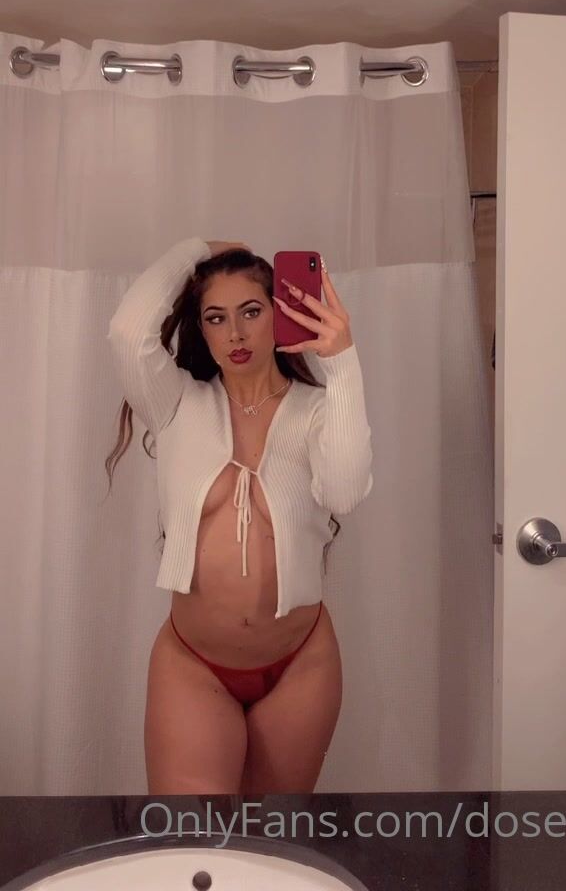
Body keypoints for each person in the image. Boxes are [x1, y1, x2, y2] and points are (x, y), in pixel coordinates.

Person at [104, 236, 373, 794]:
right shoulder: (176, 404)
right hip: (193, 663)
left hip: (301, 663)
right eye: (216, 318)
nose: (235, 333)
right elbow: (128, 333)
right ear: (202, 331)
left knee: (270, 840)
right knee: (191, 838)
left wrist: (342, 363)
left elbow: (345, 492)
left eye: (251, 311)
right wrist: (196, 249)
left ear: (279, 313)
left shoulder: (316, 412)